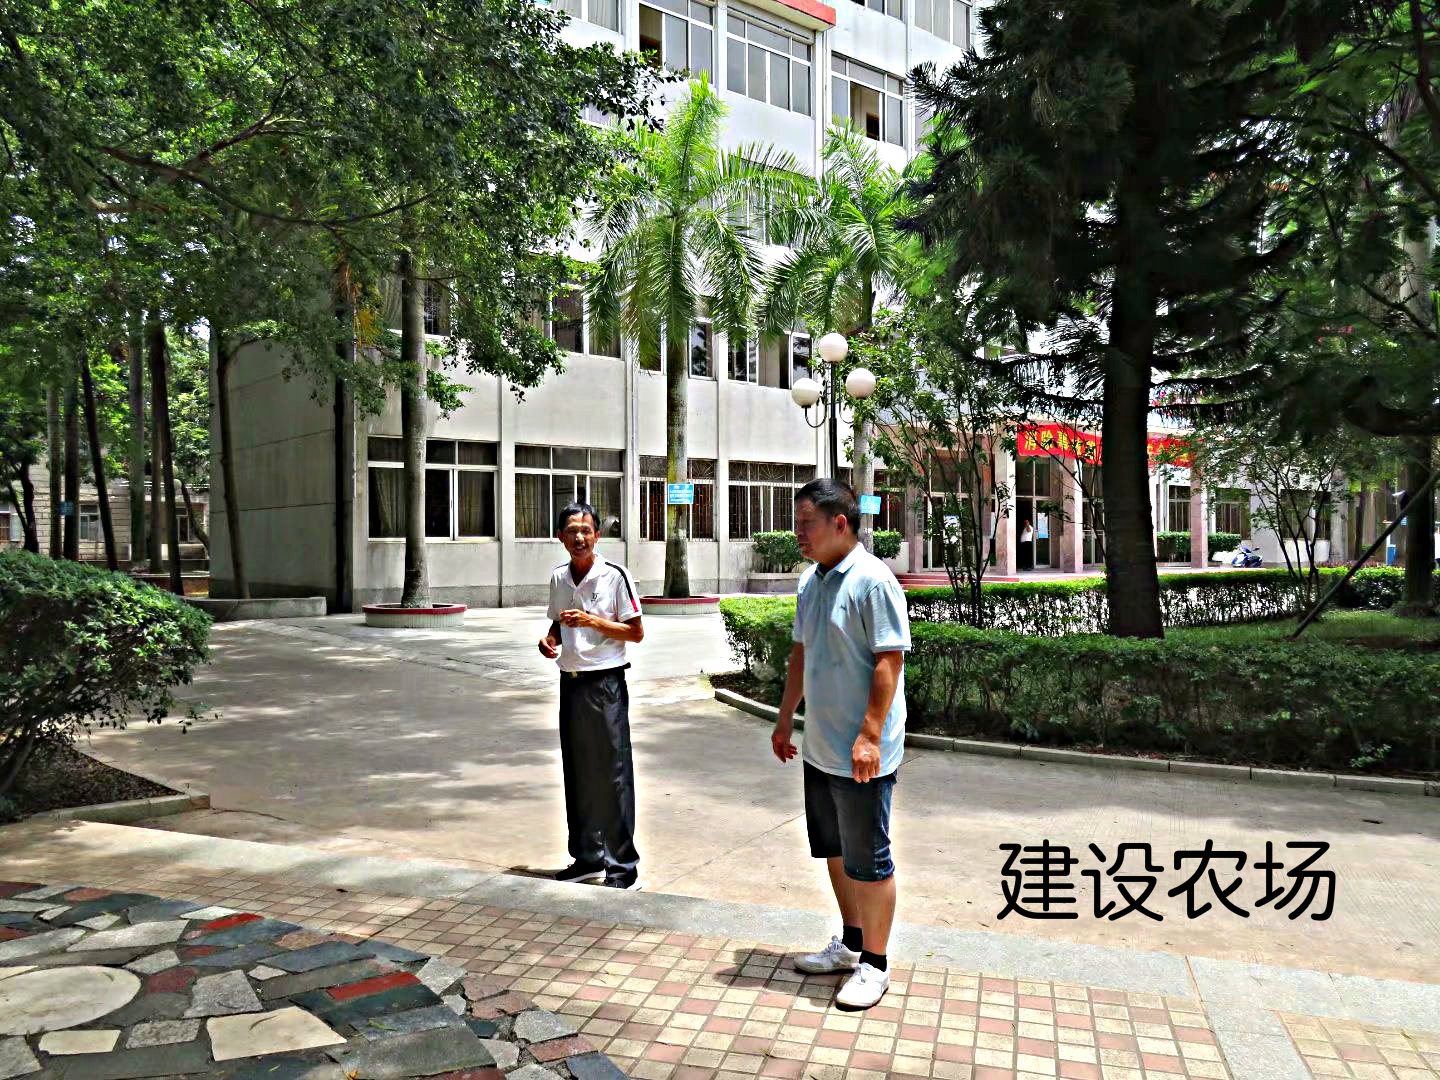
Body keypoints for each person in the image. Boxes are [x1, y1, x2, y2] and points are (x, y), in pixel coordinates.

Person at [772, 478, 911, 1010]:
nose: (798, 533)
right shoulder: (811, 581)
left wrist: (870, 735)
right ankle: (852, 943)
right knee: (834, 850)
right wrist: (785, 719)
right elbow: (801, 654)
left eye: (806, 523)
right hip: (821, 746)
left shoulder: (873, 581)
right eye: (796, 523)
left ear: (840, 523)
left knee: (869, 859)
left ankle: (876, 964)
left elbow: (889, 660)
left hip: (861, 753)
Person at [538, 501, 645, 891]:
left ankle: (623, 868)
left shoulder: (615, 575)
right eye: (571, 531)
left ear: (597, 535)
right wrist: (550, 640)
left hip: (605, 685)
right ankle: (587, 858)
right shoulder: (558, 578)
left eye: (586, 530)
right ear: (560, 537)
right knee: (578, 771)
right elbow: (557, 622)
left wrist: (591, 621)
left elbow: (635, 632)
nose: (579, 537)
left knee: (612, 774)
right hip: (571, 682)